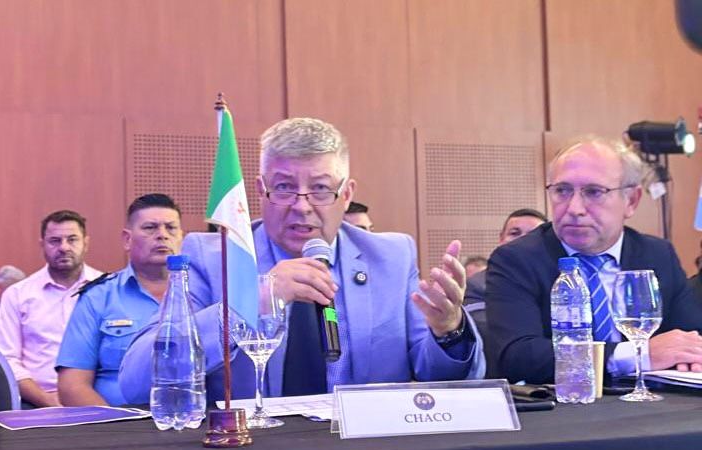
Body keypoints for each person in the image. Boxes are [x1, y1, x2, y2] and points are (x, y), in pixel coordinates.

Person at [119, 117, 484, 403]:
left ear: (347, 194)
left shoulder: (391, 257)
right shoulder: (214, 258)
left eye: (321, 189)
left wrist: (448, 330)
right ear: (261, 190)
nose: (302, 205)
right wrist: (252, 300)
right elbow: (135, 382)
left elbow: (447, 378)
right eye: (284, 187)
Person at [486, 135, 702, 384]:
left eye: (594, 192)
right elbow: (517, 356)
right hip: (563, 404)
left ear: (631, 201)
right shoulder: (516, 260)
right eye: (562, 191)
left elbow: (691, 336)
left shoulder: (657, 255)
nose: (574, 208)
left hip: (654, 402)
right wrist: (634, 356)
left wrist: (690, 357)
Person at [55, 194, 183, 406]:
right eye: (150, 228)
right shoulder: (98, 297)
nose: (162, 235)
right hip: (119, 420)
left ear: (182, 237)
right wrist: (118, 423)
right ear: (127, 239)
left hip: (193, 417)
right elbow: (72, 386)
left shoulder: (203, 295)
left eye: (171, 228)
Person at [0, 211, 101, 407]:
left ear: (86, 243)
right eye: (55, 241)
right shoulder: (18, 294)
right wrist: (45, 399)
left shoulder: (107, 289)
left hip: (100, 398)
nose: (64, 247)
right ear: (42, 244)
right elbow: (6, 359)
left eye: (72, 239)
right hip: (36, 401)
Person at [464, 208, 546, 305]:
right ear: (501, 240)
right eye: (514, 233)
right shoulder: (478, 286)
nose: (523, 240)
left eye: (533, 234)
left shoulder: (558, 283)